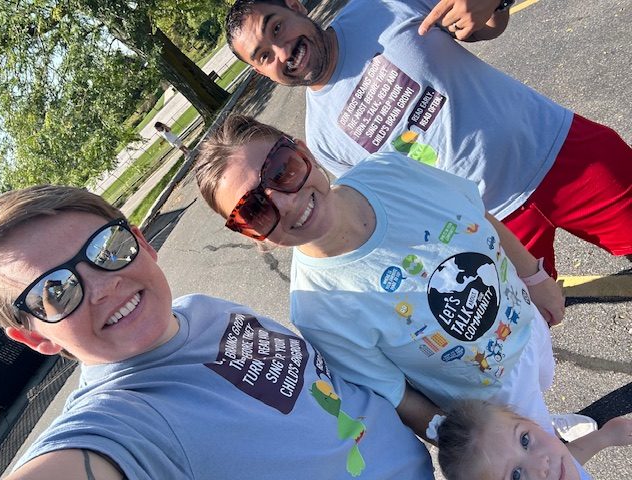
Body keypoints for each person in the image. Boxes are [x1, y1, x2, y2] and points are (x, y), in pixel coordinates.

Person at [195, 115, 592, 456]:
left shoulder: (391, 172)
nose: (285, 203)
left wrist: (534, 277)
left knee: (541, 384)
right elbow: (397, 395)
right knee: (549, 461)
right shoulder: (319, 309)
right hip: (491, 401)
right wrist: (473, 443)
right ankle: (543, 432)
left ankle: (545, 421)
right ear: (253, 236)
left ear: (302, 151)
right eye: (254, 210)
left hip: (525, 322)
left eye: (281, 171)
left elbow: (477, 213)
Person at [0, 185, 436, 479]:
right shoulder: (122, 419)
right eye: (55, 291)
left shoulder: (201, 309)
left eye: (106, 248)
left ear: (142, 242)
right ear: (37, 340)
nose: (104, 286)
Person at [224, 0, 632, 279]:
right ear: (261, 71)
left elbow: (485, 24)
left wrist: (493, 4)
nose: (282, 52)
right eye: (263, 55)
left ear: (296, 6)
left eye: (277, 28)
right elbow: (399, 199)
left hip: (561, 153)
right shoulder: (322, 139)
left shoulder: (381, 7)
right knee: (530, 336)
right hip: (492, 230)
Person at [433, 400, 632, 480]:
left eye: (525, 440)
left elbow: (570, 461)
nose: (542, 463)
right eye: (516, 475)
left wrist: (603, 437)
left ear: (530, 422)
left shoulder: (559, 471)